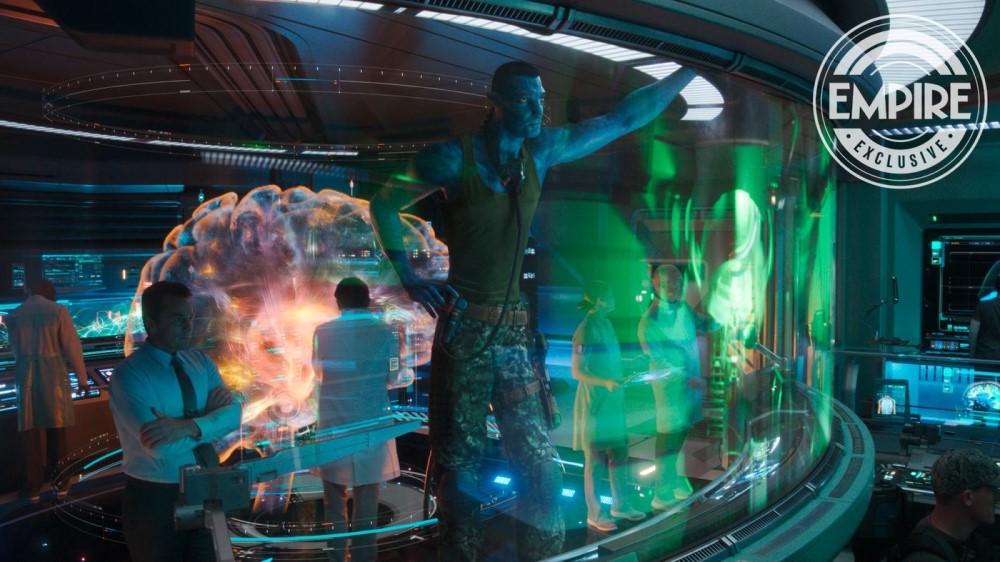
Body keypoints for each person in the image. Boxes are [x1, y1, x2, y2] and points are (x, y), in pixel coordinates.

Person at [370, 59, 695, 560]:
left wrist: (688, 71)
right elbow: (384, 204)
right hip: (466, 332)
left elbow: (621, 119)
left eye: (541, 100)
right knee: (460, 470)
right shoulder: (452, 159)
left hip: (514, 336)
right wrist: (410, 278)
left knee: (541, 467)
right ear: (496, 103)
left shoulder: (539, 151)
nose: (538, 110)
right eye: (526, 100)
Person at [109, 280, 242, 562]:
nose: (188, 326)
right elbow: (161, 446)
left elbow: (234, 416)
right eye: (178, 319)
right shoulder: (129, 375)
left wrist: (186, 426)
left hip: (208, 487)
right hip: (156, 497)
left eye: (190, 318)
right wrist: (211, 421)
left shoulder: (201, 362)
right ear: (151, 323)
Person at [311, 277, 402, 562]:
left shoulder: (322, 331)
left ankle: (336, 557)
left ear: (338, 301)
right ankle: (364, 557)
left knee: (333, 502)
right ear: (368, 300)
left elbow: (317, 371)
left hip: (334, 423)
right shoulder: (388, 332)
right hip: (372, 422)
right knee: (367, 504)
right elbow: (393, 375)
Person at [637, 264, 719, 510]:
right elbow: (659, 363)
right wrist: (686, 379)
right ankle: (661, 491)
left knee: (682, 430)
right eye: (669, 284)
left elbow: (705, 324)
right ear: (656, 286)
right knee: (668, 436)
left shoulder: (683, 309)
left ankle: (674, 479)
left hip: (689, 386)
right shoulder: (649, 322)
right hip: (670, 390)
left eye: (678, 283)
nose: (675, 288)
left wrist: (727, 318)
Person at [571, 280, 646, 533]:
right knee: (595, 460)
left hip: (613, 401)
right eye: (611, 296)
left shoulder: (606, 324)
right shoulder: (586, 329)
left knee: (619, 454)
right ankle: (595, 513)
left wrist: (629, 362)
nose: (614, 300)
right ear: (600, 300)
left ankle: (621, 505)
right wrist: (605, 382)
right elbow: (577, 371)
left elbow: (608, 358)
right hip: (595, 403)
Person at [7, 278, 89, 503]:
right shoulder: (58, 311)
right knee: (57, 428)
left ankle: (33, 488)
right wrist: (82, 379)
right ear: (48, 291)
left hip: (25, 373)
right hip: (53, 373)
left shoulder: (14, 315)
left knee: (30, 431)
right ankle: (60, 483)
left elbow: (15, 351)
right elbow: (72, 346)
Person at [888, 448, 999, 561]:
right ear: (968, 497)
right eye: (994, 491)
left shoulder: (961, 537)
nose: (997, 497)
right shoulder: (925, 558)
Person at [969, 275, 1000, 360]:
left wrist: (972, 355)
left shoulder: (982, 306)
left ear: (996, 288)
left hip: (985, 357)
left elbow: (973, 333)